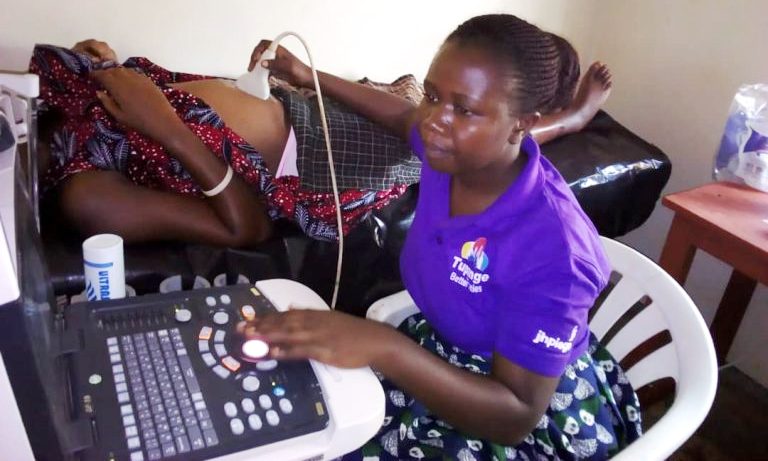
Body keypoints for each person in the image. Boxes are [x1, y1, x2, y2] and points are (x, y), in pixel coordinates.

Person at [238, 14, 639, 460]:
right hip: (441, 349)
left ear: (523, 123)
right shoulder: (448, 155)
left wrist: (384, 346)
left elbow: (516, 416)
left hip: (520, 412)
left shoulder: (556, 252)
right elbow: (401, 116)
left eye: (464, 109)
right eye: (432, 95)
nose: (434, 121)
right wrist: (307, 75)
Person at [30, 30, 610, 248]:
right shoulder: (87, 195)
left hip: (299, 108)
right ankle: (565, 121)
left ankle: (541, 111)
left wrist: (308, 77)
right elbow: (245, 229)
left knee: (418, 108)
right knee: (445, 137)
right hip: (321, 165)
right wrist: (168, 128)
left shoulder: (57, 96)